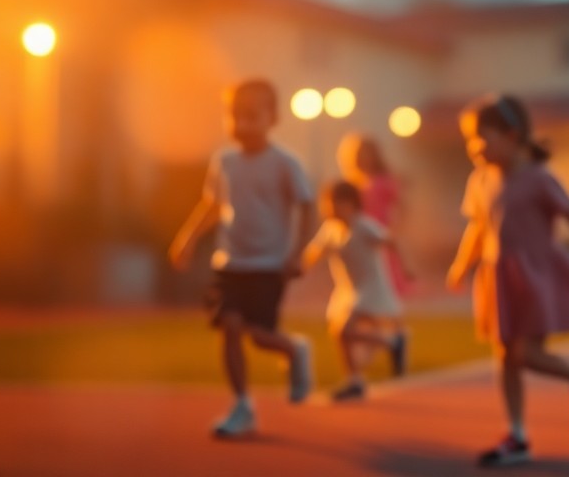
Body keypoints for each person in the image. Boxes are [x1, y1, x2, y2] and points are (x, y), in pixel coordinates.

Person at [446, 94, 569, 468]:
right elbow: (479, 227)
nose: (473, 147)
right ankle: (516, 434)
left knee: (526, 354)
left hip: (535, 275)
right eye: (468, 140)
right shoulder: (480, 181)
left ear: (513, 135)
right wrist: (463, 264)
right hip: (497, 276)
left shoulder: (539, 179)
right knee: (504, 357)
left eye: (481, 137)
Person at [168, 78, 318, 439]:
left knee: (261, 336)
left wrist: (298, 253)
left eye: (252, 116)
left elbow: (309, 208)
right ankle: (242, 405)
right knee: (230, 327)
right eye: (234, 116)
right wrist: (188, 238)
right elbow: (213, 205)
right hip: (230, 263)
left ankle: (295, 349)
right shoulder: (225, 161)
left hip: (269, 265)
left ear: (273, 118)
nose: (242, 124)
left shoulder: (285, 163)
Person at [303, 180, 413, 401]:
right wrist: (296, 268)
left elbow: (391, 241)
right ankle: (361, 374)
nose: (329, 209)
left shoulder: (364, 226)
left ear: (350, 204)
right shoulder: (331, 230)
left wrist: (406, 269)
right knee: (339, 333)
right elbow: (313, 252)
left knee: (345, 331)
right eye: (326, 204)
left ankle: (389, 345)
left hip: (371, 288)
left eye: (334, 203)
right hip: (348, 290)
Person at [337, 133, 413, 298]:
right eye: (360, 154)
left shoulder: (384, 180)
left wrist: (397, 227)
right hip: (359, 233)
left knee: (386, 270)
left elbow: (402, 205)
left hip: (380, 230)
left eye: (367, 154)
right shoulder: (353, 182)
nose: (364, 158)